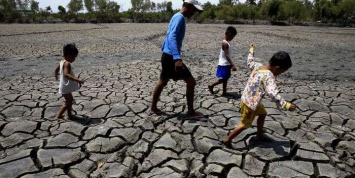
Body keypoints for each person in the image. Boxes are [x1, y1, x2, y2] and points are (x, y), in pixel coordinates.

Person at [223, 45, 297, 148]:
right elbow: (272, 93)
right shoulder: (268, 76)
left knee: (263, 114)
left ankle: (259, 135)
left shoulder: (258, 66)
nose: (280, 74)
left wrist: (251, 51)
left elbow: (249, 62)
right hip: (250, 104)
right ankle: (228, 139)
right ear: (277, 68)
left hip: (249, 99)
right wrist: (286, 105)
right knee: (244, 124)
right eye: (281, 72)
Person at [149, 0, 204, 120]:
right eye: (193, 10)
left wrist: (165, 51)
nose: (194, 13)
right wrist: (177, 58)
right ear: (188, 6)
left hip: (166, 55)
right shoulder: (180, 18)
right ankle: (191, 112)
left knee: (163, 81)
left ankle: (153, 107)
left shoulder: (176, 15)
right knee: (191, 82)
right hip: (171, 58)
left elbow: (168, 36)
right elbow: (172, 36)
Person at [54, 43, 84, 121]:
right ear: (69, 56)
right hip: (65, 87)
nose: (74, 59)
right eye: (74, 57)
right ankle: (58, 116)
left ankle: (70, 115)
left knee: (69, 101)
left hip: (64, 86)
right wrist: (77, 80)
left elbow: (57, 68)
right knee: (68, 102)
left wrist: (56, 74)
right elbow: (66, 74)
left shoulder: (62, 61)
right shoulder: (67, 63)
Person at [208, 26, 238, 96]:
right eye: (233, 36)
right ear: (229, 34)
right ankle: (211, 86)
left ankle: (224, 92)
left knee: (226, 78)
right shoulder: (225, 43)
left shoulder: (227, 42)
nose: (232, 38)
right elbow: (227, 55)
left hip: (226, 64)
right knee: (223, 79)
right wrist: (232, 64)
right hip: (224, 64)